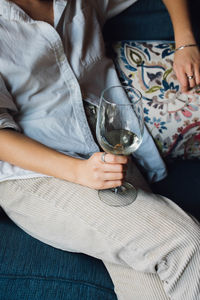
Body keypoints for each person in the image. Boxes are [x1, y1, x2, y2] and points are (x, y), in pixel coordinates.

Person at [0, 0, 199, 299]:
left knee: (152, 286)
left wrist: (185, 42)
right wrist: (79, 171)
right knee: (185, 242)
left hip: (110, 152)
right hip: (35, 174)